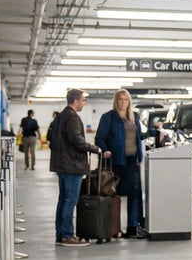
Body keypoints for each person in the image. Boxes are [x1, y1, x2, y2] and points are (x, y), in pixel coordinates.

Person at [50, 89, 110, 247]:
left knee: (63, 200)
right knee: (70, 200)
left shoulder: (60, 117)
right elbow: (77, 140)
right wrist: (94, 148)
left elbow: (52, 138)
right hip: (72, 165)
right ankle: (67, 236)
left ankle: (60, 234)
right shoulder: (72, 117)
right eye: (83, 100)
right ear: (75, 101)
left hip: (61, 164)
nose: (84, 103)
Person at [94, 89, 146, 239]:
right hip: (114, 162)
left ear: (129, 102)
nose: (123, 102)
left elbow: (139, 136)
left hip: (132, 161)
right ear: (116, 101)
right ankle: (112, 228)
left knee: (135, 194)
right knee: (112, 195)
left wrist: (154, 131)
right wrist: (105, 150)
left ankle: (133, 226)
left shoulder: (134, 117)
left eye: (126, 99)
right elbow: (100, 138)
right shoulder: (108, 117)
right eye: (120, 99)